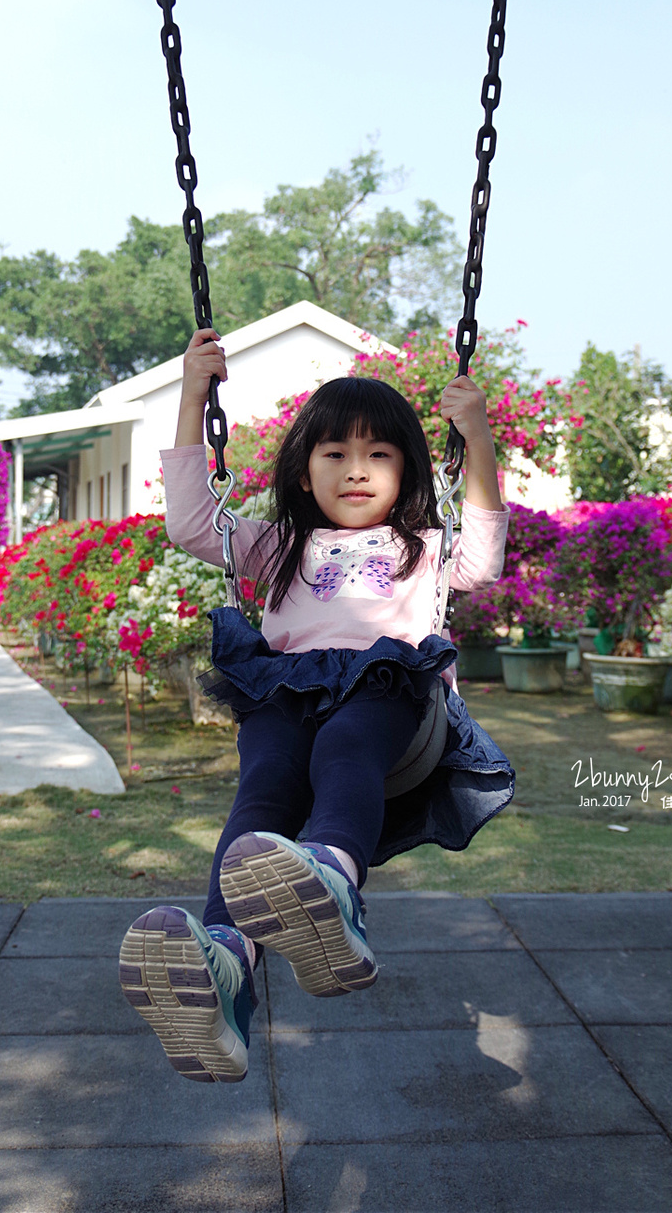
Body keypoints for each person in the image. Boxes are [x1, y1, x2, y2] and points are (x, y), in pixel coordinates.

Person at [119, 328, 514, 1083]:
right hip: (286, 690)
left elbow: (485, 555)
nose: (356, 470)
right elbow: (189, 523)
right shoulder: (277, 546)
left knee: (344, 748)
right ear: (303, 473)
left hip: (388, 694)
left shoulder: (423, 546)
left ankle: (332, 879)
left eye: (379, 455)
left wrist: (479, 439)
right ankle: (223, 963)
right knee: (263, 787)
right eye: (334, 453)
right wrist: (192, 395)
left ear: (409, 472)